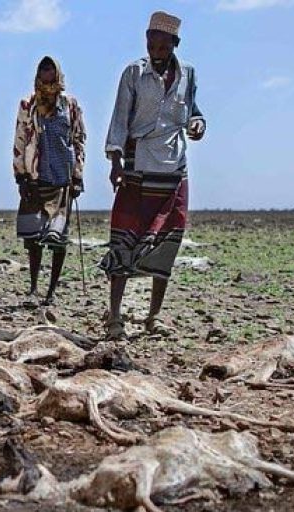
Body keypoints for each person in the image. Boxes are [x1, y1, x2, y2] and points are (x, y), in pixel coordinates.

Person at [100, 11, 206, 340]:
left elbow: (193, 111)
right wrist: (116, 161)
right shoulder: (134, 72)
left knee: (167, 242)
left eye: (161, 44)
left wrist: (199, 124)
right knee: (125, 239)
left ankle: (153, 317)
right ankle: (115, 317)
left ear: (174, 44)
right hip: (138, 166)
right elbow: (120, 118)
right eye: (150, 42)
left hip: (174, 170)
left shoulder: (188, 73)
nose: (155, 48)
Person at [13, 56, 87, 305]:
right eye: (43, 69)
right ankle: (33, 289)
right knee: (34, 238)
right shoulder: (29, 104)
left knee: (58, 239)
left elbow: (78, 140)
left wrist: (78, 175)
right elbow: (20, 139)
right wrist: (20, 174)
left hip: (61, 178)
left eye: (50, 69)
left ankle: (51, 292)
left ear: (57, 74)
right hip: (36, 176)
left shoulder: (70, 105)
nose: (46, 73)